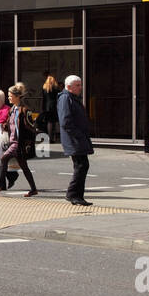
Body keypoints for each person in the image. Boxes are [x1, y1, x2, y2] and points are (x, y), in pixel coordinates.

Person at [57, 74, 93, 205]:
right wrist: (78, 134)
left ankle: (77, 195)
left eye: (80, 85)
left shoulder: (72, 98)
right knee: (81, 165)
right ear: (69, 86)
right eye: (77, 85)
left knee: (82, 165)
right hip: (74, 139)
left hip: (77, 138)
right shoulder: (65, 98)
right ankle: (73, 194)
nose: (80, 87)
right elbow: (65, 121)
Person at [0, 83, 39, 197]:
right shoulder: (12, 110)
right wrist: (4, 126)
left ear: (17, 97)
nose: (9, 98)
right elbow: (10, 125)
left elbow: (30, 127)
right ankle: (33, 189)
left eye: (10, 96)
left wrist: (30, 140)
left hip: (19, 142)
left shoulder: (25, 110)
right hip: (13, 141)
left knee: (3, 158)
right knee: (24, 167)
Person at [40, 74, 61, 143]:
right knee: (53, 122)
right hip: (54, 106)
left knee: (48, 122)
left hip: (47, 107)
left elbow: (43, 99)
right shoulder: (55, 88)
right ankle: (52, 138)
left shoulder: (44, 89)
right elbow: (58, 98)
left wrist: (42, 108)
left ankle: (48, 137)